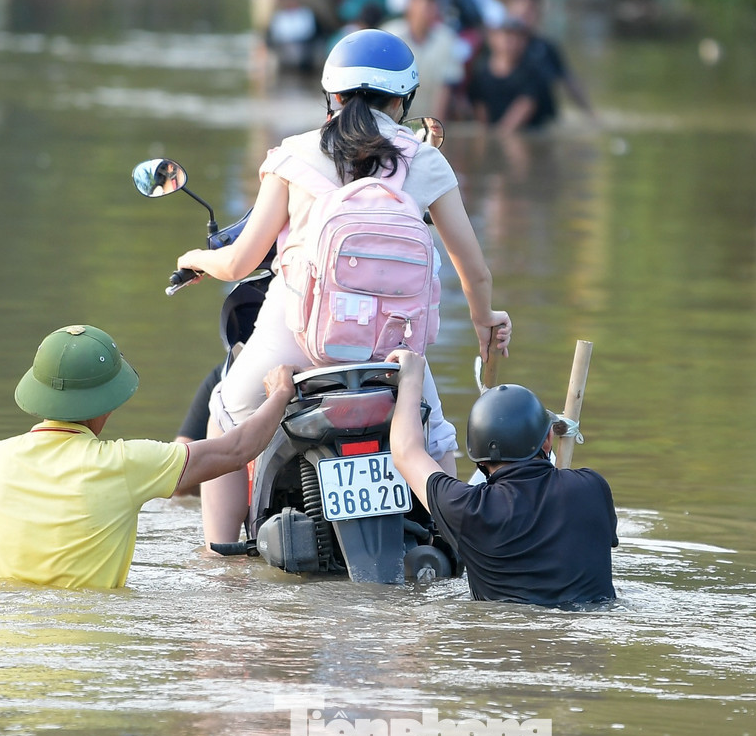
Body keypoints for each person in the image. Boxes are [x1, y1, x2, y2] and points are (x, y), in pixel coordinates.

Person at [175, 29, 512, 546]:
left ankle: (222, 561)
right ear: (404, 100)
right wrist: (486, 321)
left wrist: (194, 257)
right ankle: (452, 551)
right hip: (393, 350)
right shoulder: (425, 161)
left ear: (332, 96)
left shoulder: (294, 156)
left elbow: (241, 261)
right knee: (435, 439)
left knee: (224, 416)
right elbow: (475, 271)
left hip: (296, 338)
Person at [0, 324, 297, 588]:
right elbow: (237, 450)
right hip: (89, 658)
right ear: (110, 402)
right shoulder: (125, 463)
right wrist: (281, 392)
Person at [386, 350, 617, 606]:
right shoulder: (593, 487)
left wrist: (410, 378)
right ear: (549, 439)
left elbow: (406, 452)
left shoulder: (468, 510)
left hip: (508, 640)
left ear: (479, 459)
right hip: (586, 634)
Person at [382, 0, 468, 121]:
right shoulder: (391, 36)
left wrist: (433, 130)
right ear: (410, 3)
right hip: (392, 124)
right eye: (423, 1)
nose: (428, 8)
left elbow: (445, 89)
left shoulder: (447, 39)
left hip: (427, 125)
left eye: (432, 3)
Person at [506, 0, 595, 120]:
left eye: (530, 11)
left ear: (538, 14)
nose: (524, 16)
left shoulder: (546, 48)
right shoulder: (492, 47)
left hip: (544, 118)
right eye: (520, 11)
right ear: (509, 10)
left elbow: (568, 81)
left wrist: (590, 113)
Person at [467, 15, 552, 135]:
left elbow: (523, 109)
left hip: (526, 133)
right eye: (506, 35)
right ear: (492, 38)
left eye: (517, 37)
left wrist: (498, 136)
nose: (511, 42)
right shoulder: (480, 72)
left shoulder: (533, 73)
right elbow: (480, 113)